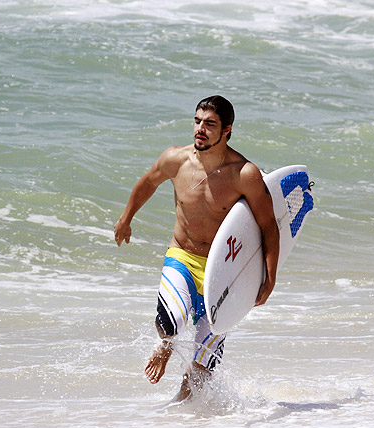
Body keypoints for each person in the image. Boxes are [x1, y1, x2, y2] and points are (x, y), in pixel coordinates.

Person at [114, 95, 279, 402]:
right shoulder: (176, 160)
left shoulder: (244, 174)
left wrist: (269, 276)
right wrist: (126, 219)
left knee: (202, 371)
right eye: (197, 121)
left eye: (210, 124)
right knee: (170, 320)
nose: (200, 129)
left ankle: (183, 419)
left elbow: (269, 224)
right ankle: (164, 346)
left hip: (224, 273)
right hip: (182, 256)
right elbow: (148, 182)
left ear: (227, 130)